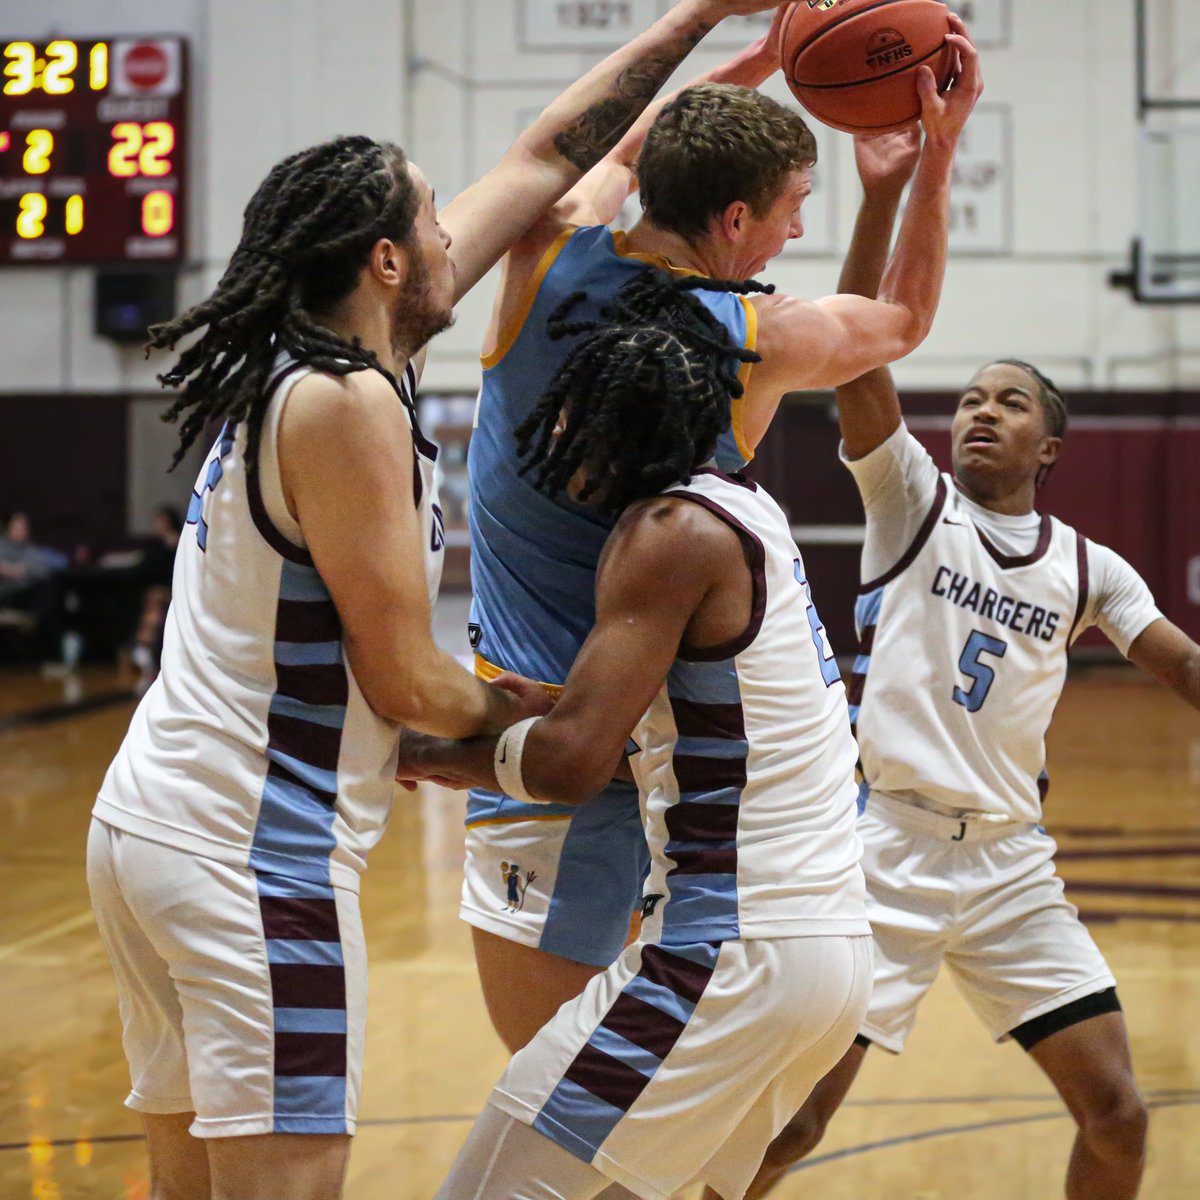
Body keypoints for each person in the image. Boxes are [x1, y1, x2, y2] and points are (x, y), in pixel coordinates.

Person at [84, 4, 788, 1198]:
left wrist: (705, 22)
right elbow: (404, 680)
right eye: (429, 216)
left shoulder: (309, 359)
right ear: (387, 262)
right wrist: (549, 723)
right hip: (247, 853)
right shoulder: (348, 404)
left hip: (151, 828)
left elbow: (545, 158)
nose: (457, 230)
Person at [463, 12, 983, 1053]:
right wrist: (930, 167)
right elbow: (904, 320)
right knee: (591, 1114)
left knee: (570, 1105)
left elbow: (613, 145)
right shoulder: (752, 338)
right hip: (660, 779)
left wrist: (753, 67)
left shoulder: (543, 253)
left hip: (548, 754)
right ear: (737, 219)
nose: (796, 231)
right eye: (795, 209)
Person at [734, 127, 1200, 1200]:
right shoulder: (911, 499)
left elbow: (1180, 666)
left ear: (1050, 449)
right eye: (973, 399)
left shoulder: (1091, 567)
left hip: (1008, 867)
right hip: (883, 851)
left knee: (1120, 1114)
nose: (981, 410)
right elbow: (855, 347)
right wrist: (882, 197)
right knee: (796, 1120)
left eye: (1011, 402)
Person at [402, 272, 872, 1200]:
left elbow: (572, 764)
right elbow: (649, 719)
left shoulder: (662, 533)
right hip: (823, 949)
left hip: (732, 952)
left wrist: (415, 756)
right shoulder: (746, 512)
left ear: (608, 419)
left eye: (568, 414)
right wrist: (504, 710)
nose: (555, 434)